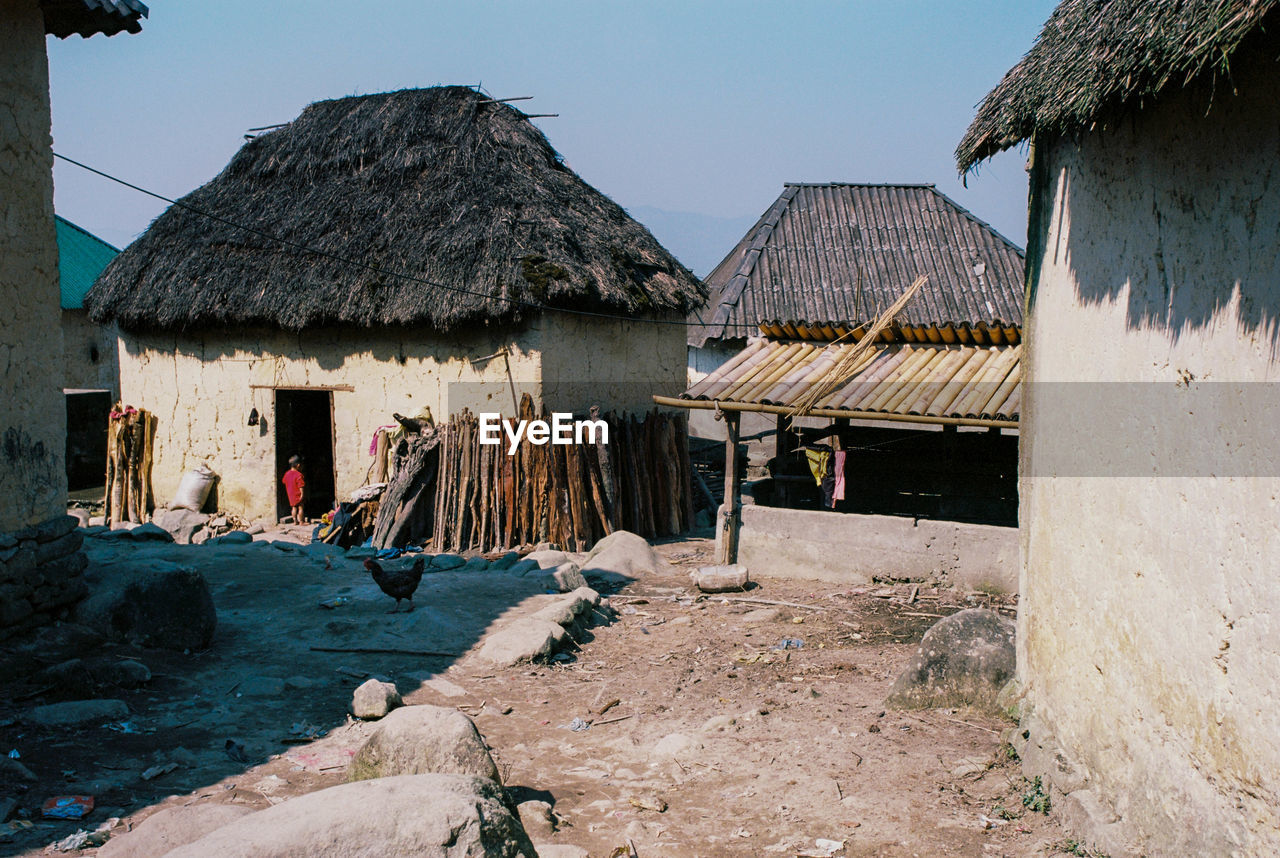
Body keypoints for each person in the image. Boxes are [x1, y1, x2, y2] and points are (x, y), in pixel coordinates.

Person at [282, 455, 305, 524]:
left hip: (291, 495)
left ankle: (295, 521)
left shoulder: (287, 474)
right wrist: (302, 494)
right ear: (298, 465)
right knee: (300, 507)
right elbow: (301, 486)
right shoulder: (298, 475)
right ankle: (301, 521)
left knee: (294, 508)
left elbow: (284, 481)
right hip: (298, 494)